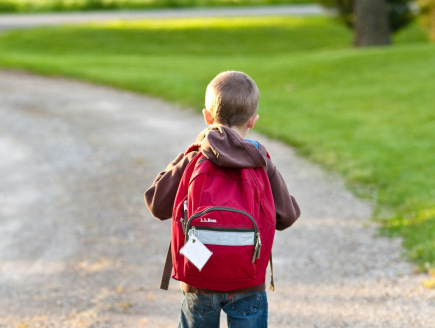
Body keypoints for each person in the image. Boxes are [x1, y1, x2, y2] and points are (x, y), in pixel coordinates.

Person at [144, 71, 300, 328]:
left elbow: (156, 204)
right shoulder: (261, 161)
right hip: (247, 279)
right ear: (253, 121)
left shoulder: (194, 158)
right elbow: (287, 217)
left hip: (199, 278)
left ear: (207, 117)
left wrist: (185, 156)